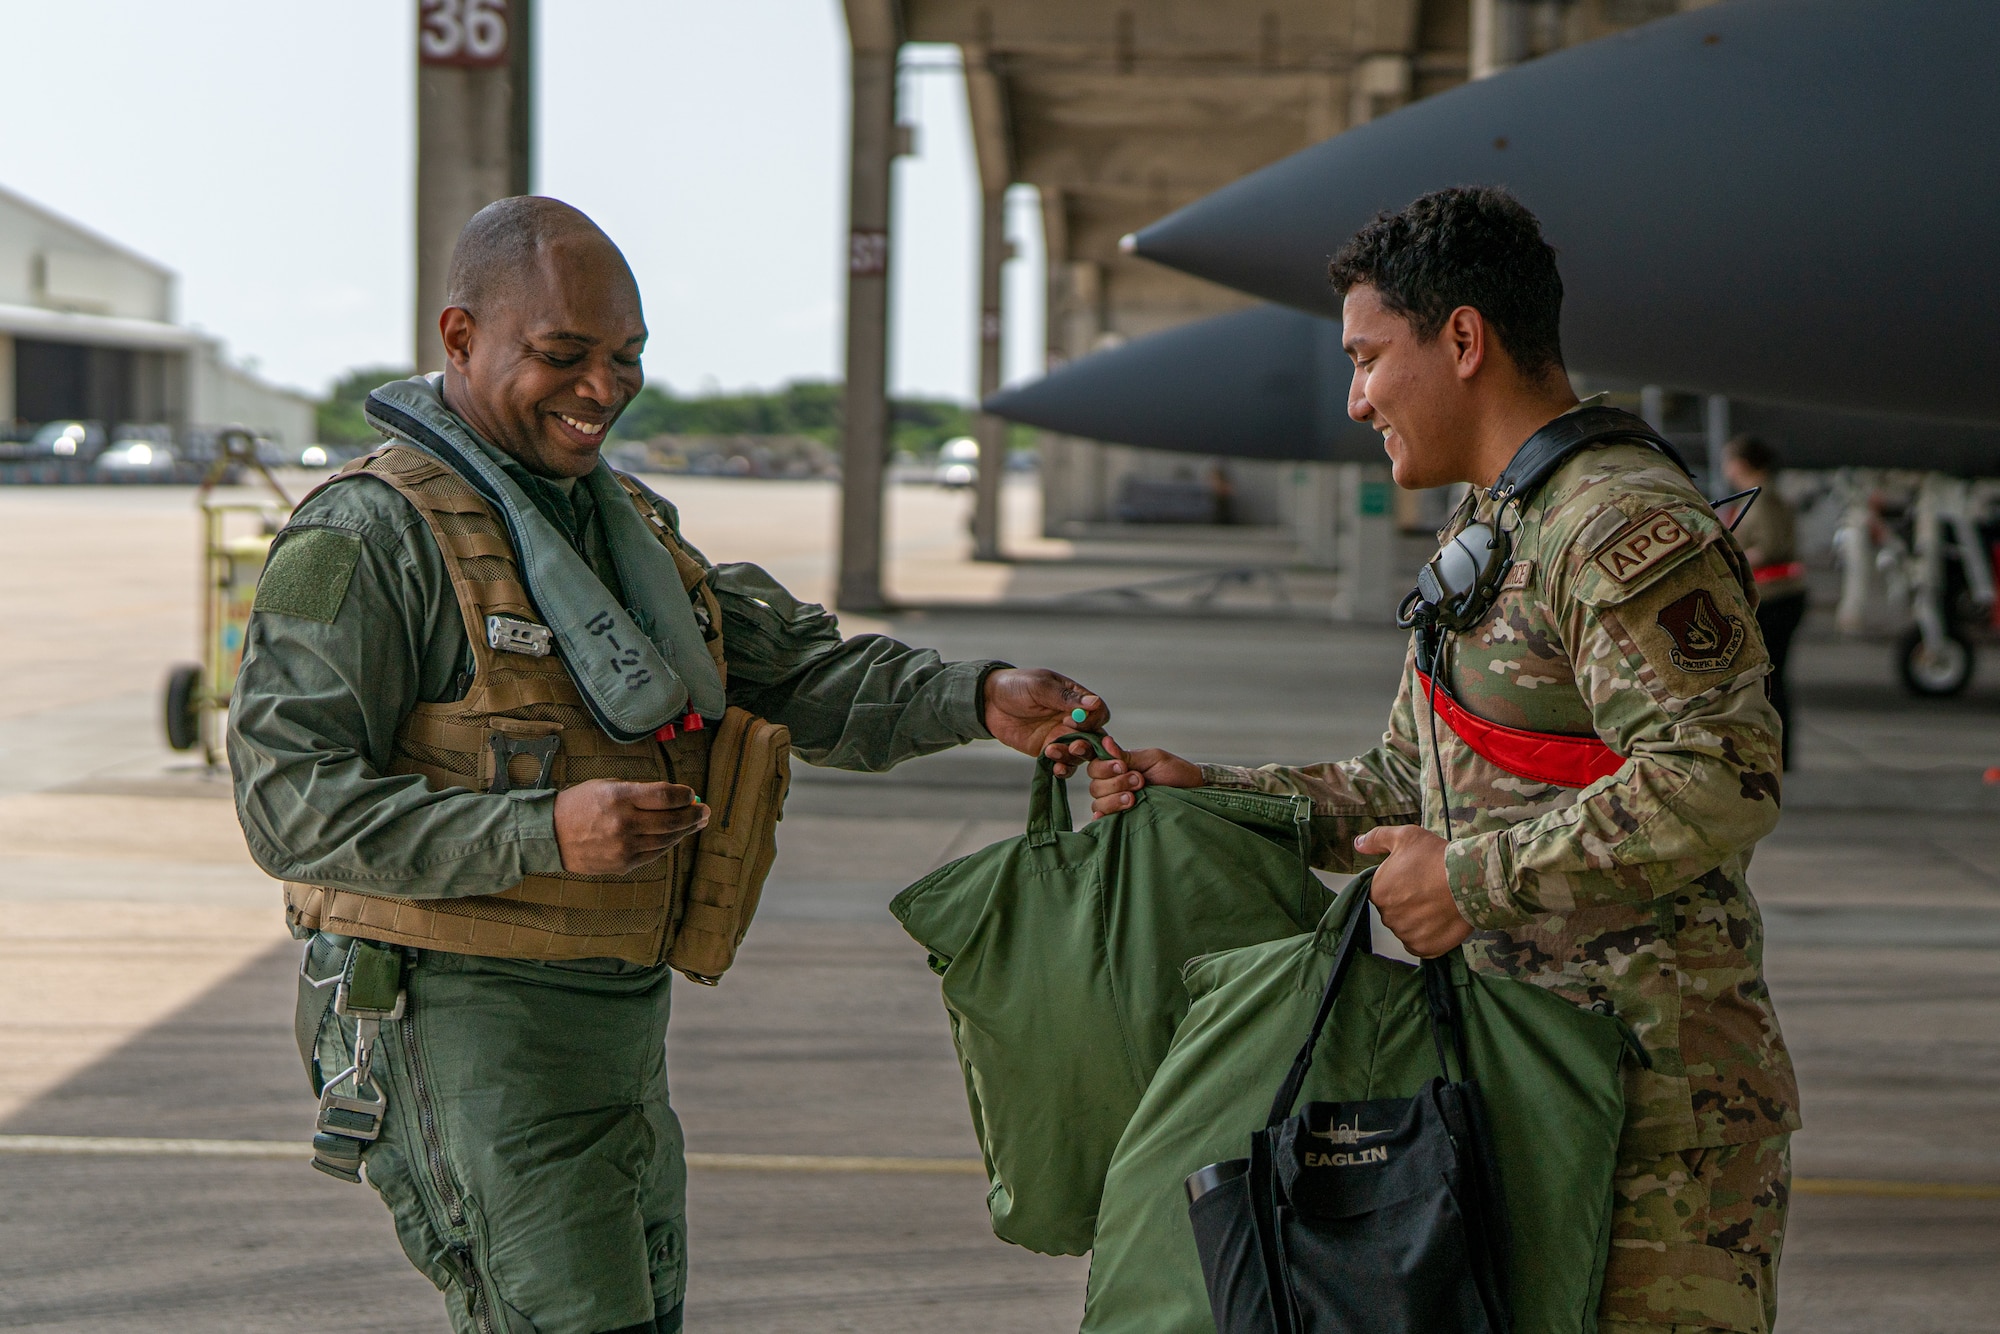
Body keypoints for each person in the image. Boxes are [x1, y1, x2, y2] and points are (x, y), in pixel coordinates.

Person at [230, 196, 1108, 1334]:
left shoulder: (623, 525)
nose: (603, 388)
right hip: (462, 1027)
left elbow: (786, 671)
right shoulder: (362, 536)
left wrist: (979, 695)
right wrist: (542, 833)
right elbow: (286, 802)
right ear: (459, 338)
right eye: (563, 356)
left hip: (616, 1025)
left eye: (626, 358)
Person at [1054, 187, 1799, 1334]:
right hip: (1523, 1069)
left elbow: (1719, 775)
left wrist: (1468, 880)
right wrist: (1213, 790)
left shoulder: (1610, 527)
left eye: (1366, 358)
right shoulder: (1490, 531)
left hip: (1657, 1097)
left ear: (1461, 339)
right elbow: (1402, 785)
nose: (1355, 398)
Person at [1724, 435, 1807, 769]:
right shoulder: (1761, 497)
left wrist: (1730, 556)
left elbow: (1771, 548)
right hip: (1775, 597)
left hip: (1775, 598)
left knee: (1771, 679)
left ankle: (1778, 753)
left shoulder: (1764, 501)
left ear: (1742, 464)